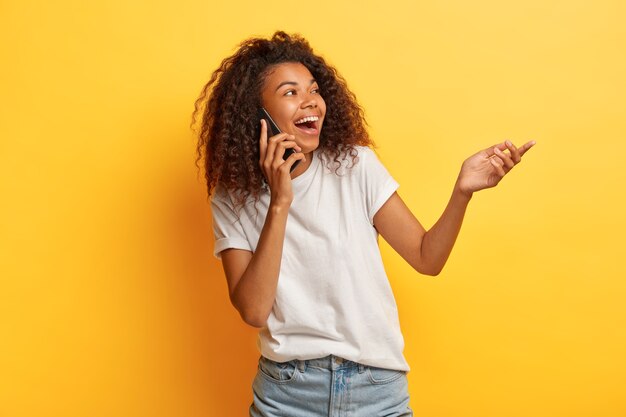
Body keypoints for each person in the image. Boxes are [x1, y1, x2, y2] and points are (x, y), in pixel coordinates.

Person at [192, 31, 535, 417]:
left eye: (314, 90)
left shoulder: (355, 165)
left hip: (376, 391)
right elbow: (254, 310)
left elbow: (427, 258)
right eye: (290, 93)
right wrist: (280, 201)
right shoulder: (232, 196)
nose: (310, 102)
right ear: (255, 115)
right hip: (287, 395)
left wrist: (463, 191)